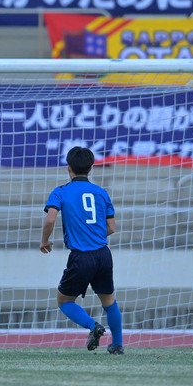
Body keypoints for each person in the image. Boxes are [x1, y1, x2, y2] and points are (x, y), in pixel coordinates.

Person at [40, 146, 124, 354]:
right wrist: (93, 235)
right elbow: (112, 227)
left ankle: (92, 326)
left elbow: (50, 218)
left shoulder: (61, 191)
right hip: (103, 255)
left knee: (64, 300)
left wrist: (45, 241)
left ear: (68, 168)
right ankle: (118, 345)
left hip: (81, 257)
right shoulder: (101, 193)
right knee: (109, 301)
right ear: (91, 168)